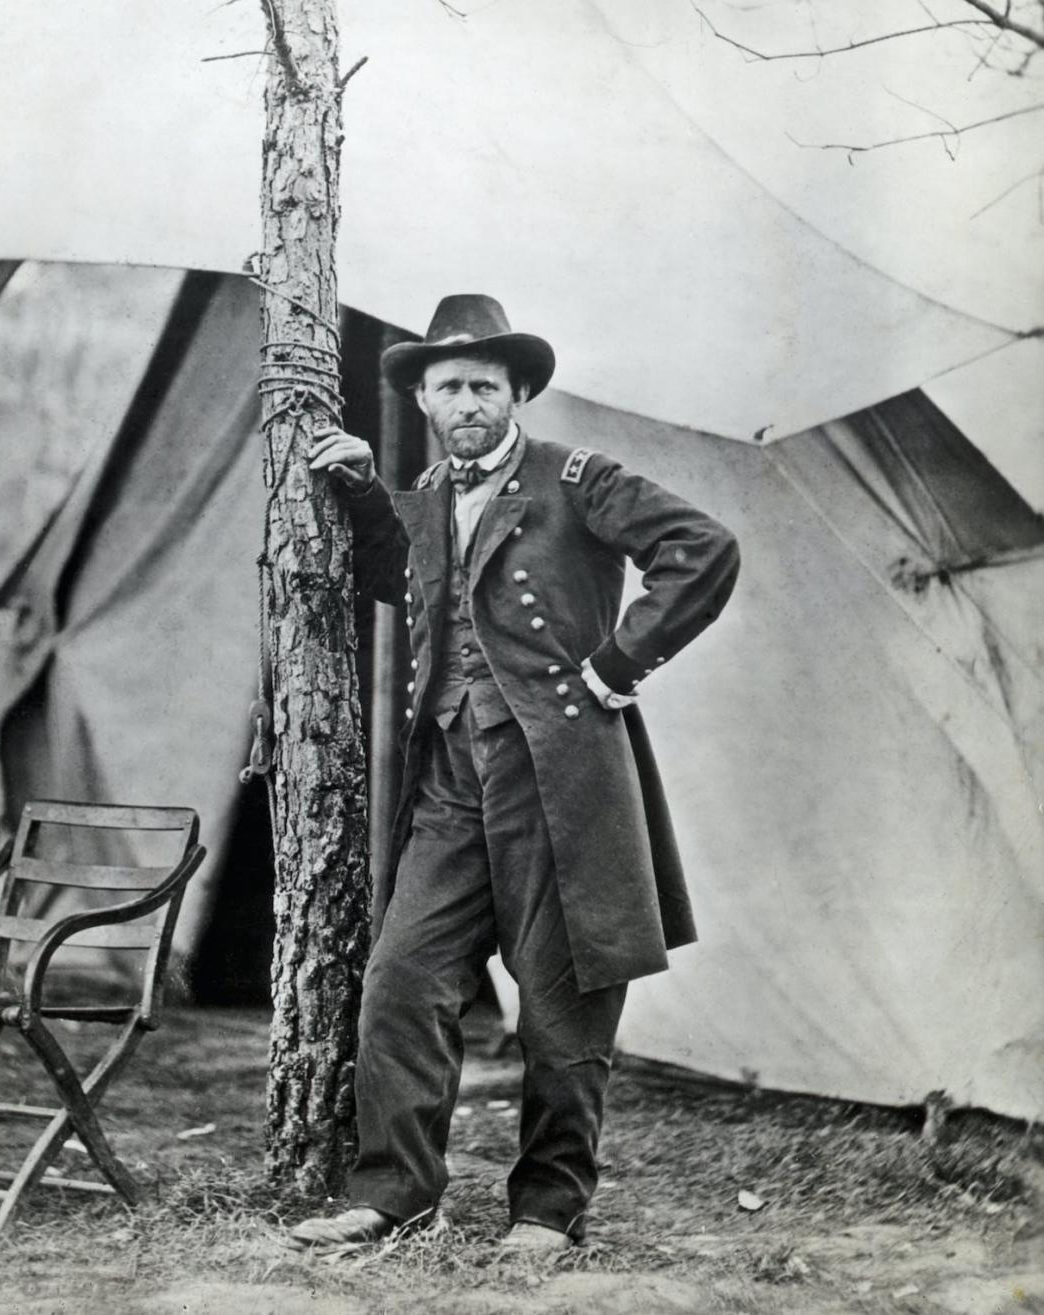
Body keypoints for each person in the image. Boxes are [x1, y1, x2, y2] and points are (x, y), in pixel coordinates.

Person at [291, 294, 740, 1253]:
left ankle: (546, 1209)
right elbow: (399, 579)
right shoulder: (426, 487)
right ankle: (395, 1192)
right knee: (401, 980)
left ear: (518, 391)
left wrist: (617, 665)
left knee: (561, 1007)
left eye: (482, 386)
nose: (465, 404)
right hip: (450, 784)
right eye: (446, 387)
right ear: (424, 400)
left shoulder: (576, 479)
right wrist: (371, 493)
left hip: (557, 782)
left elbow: (703, 548)